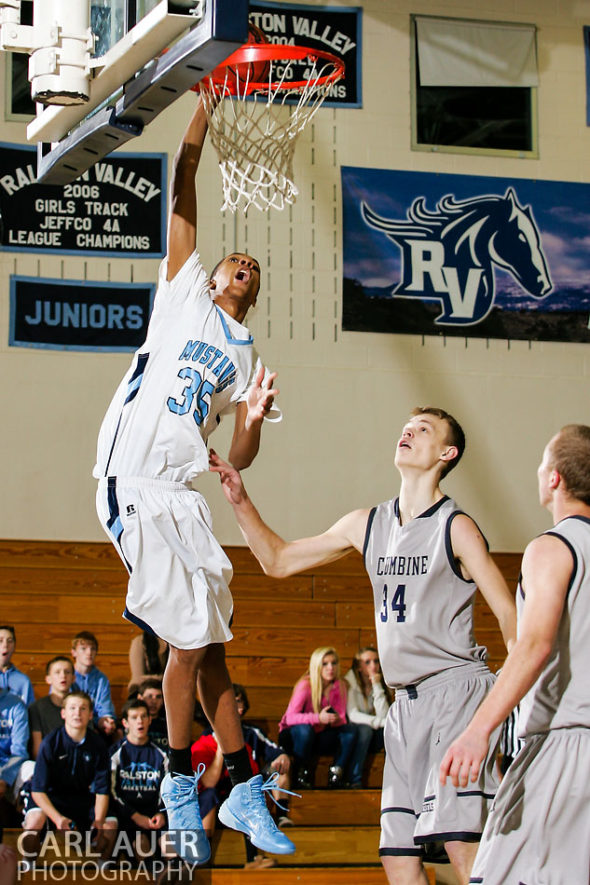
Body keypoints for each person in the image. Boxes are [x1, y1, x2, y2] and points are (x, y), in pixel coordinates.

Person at [93, 95, 293, 866]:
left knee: (209, 645)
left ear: (252, 292)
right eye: (234, 259)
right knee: (185, 639)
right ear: (213, 275)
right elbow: (183, 180)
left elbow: (236, 460)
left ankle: (239, 779)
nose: (242, 264)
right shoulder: (181, 293)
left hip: (183, 495)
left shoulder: (242, 359)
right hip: (132, 479)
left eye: (253, 267)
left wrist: (253, 413)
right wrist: (201, 117)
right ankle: (184, 776)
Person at [210, 405, 517, 885]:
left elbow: (509, 616)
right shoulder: (367, 523)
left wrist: (508, 704)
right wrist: (239, 499)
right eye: (406, 427)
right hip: (404, 707)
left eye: (423, 430)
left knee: (463, 843)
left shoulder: (455, 525)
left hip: (456, 693)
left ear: (447, 453)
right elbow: (278, 560)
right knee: (397, 856)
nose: (408, 432)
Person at [440, 423, 590, 885]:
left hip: (563, 742)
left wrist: (477, 730)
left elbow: (535, 644)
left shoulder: (553, 546)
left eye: (543, 460)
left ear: (554, 479)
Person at [190, 684, 293, 871]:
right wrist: (222, 745)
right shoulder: (206, 738)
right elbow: (208, 782)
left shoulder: (250, 733)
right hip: (220, 792)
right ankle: (201, 862)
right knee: (214, 797)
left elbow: (274, 753)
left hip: (246, 788)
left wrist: (281, 756)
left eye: (237, 702)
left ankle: (276, 826)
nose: (233, 708)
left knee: (264, 784)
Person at [21, 691, 117, 862]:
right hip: (51, 797)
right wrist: (58, 820)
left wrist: (99, 820)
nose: (77, 713)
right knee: (34, 823)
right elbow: (38, 790)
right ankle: (29, 868)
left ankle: (103, 870)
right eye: (72, 708)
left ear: (90, 715)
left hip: (82, 798)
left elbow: (102, 791)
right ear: (63, 713)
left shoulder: (98, 745)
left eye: (83, 709)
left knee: (109, 826)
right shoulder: (50, 743)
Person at [278, 647, 356, 789]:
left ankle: (336, 773)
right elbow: (289, 719)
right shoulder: (306, 685)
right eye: (325, 664)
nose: (330, 668)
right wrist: (318, 718)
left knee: (350, 731)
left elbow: (343, 718)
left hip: (320, 733)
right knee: (305, 731)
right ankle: (301, 773)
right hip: (295, 735)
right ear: (317, 666)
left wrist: (335, 719)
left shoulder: (340, 686)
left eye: (333, 663)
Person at [110, 699, 171, 865]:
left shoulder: (162, 753)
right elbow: (113, 793)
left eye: (144, 717)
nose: (140, 721)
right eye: (134, 717)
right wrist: (135, 816)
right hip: (128, 815)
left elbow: (167, 790)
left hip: (155, 813)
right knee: (142, 847)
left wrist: (161, 813)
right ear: (125, 723)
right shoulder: (116, 753)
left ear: (150, 720)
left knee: (171, 847)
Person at [344, 647, 391, 788]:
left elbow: (384, 714)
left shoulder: (381, 681)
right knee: (365, 731)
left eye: (376, 661)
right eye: (367, 662)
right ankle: (354, 779)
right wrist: (379, 722)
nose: (373, 666)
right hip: (354, 729)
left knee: (392, 733)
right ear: (359, 666)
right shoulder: (349, 682)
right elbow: (352, 714)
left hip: (373, 729)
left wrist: (376, 685)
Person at [71, 631, 117, 742]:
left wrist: (106, 720)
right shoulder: (67, 674)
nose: (89, 653)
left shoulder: (101, 678)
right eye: (83, 648)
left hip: (95, 726)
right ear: (74, 652)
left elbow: (105, 707)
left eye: (93, 649)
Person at [28, 656, 75, 759]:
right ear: (48, 679)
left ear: (73, 678)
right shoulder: (37, 708)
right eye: (57, 672)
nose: (63, 676)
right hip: (48, 761)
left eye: (67, 672)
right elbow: (37, 749)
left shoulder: (80, 706)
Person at [0, 687, 28, 826]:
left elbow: (19, 750)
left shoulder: (16, 704)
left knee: (31, 769)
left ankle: (31, 835)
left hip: (10, 764)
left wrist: (5, 777)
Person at [0, 626, 34, 706]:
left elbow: (30, 710)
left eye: (10, 641)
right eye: (0, 641)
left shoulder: (23, 681)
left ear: (14, 646)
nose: (5, 645)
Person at [128, 632, 169, 697]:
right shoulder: (140, 641)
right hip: (146, 692)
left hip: (171, 692)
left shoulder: (178, 642)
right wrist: (162, 678)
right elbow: (138, 679)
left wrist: (152, 677)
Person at [137, 678, 168, 753]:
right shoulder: (133, 724)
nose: (154, 701)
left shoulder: (169, 725)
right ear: (140, 698)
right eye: (149, 696)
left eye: (158, 697)